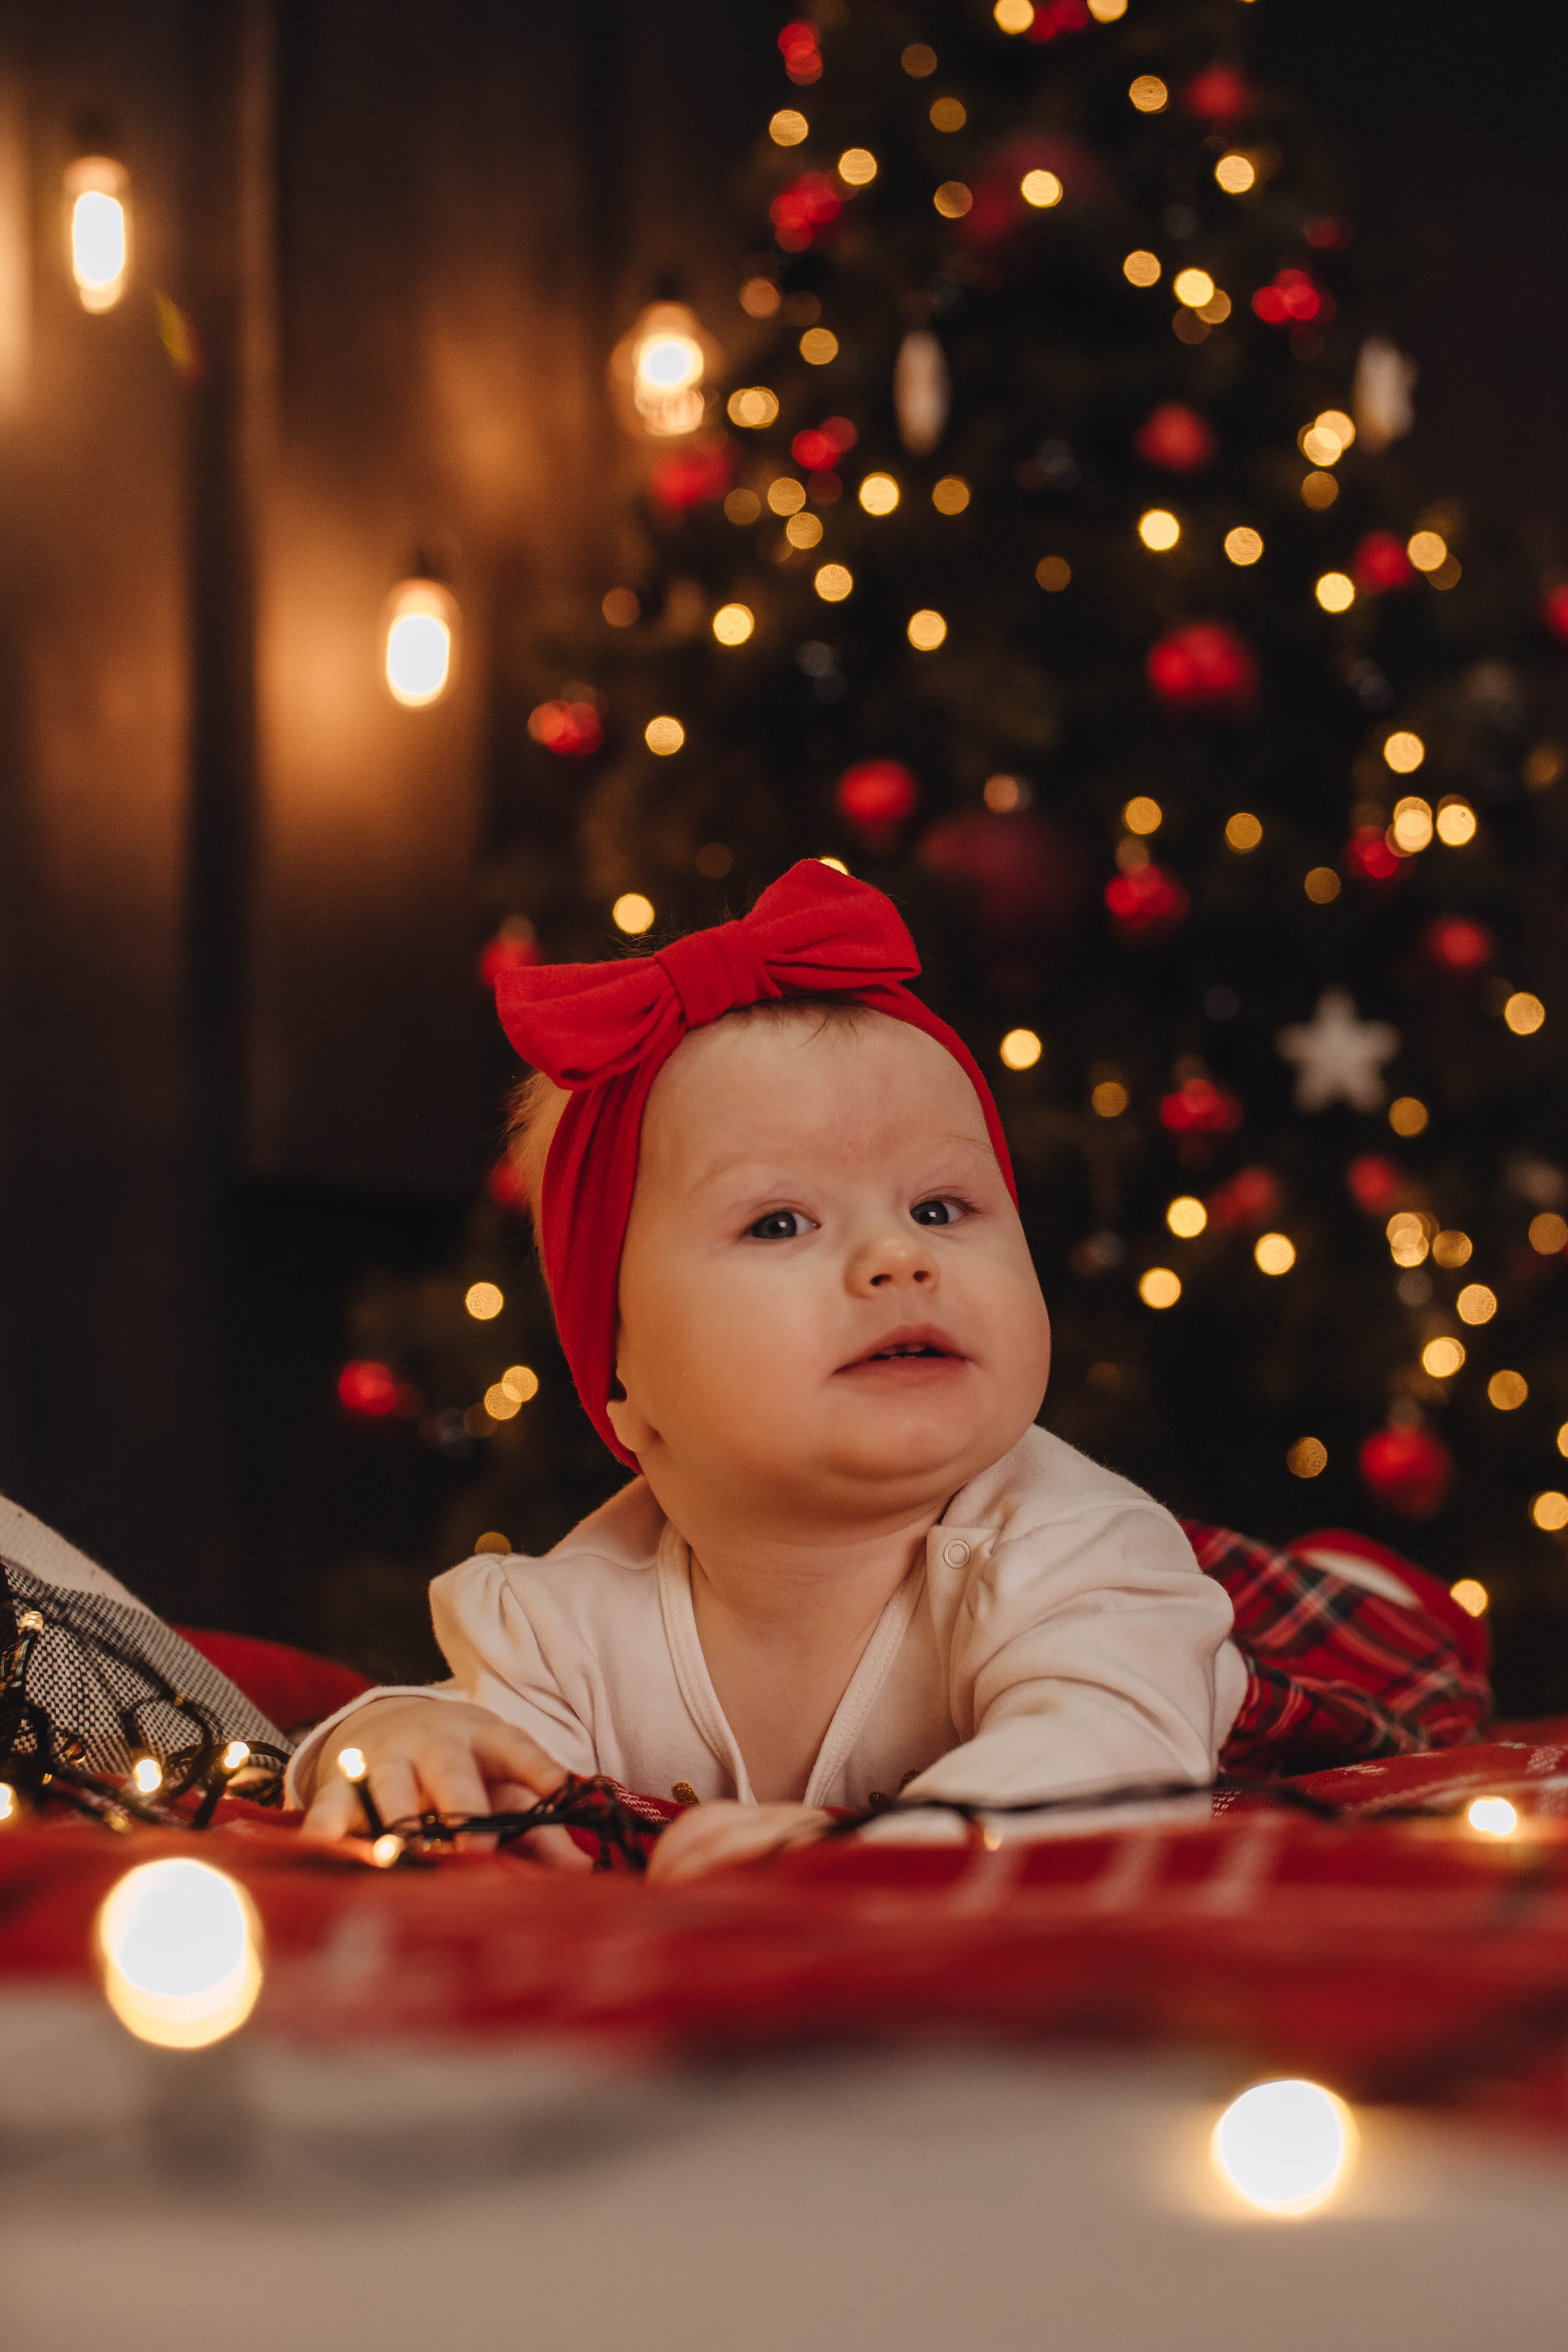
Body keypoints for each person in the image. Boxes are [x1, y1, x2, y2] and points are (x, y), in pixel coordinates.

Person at [293, 862, 1487, 1876]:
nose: (897, 1258)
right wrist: (385, 1741)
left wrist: (863, 1862)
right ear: (620, 1382)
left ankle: (1358, 1580)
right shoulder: (574, 1616)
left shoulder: (1071, 1550)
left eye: (940, 1206)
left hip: (1250, 1634)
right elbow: (469, 1734)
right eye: (779, 1223)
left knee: (1338, 1627)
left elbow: (1105, 1752)